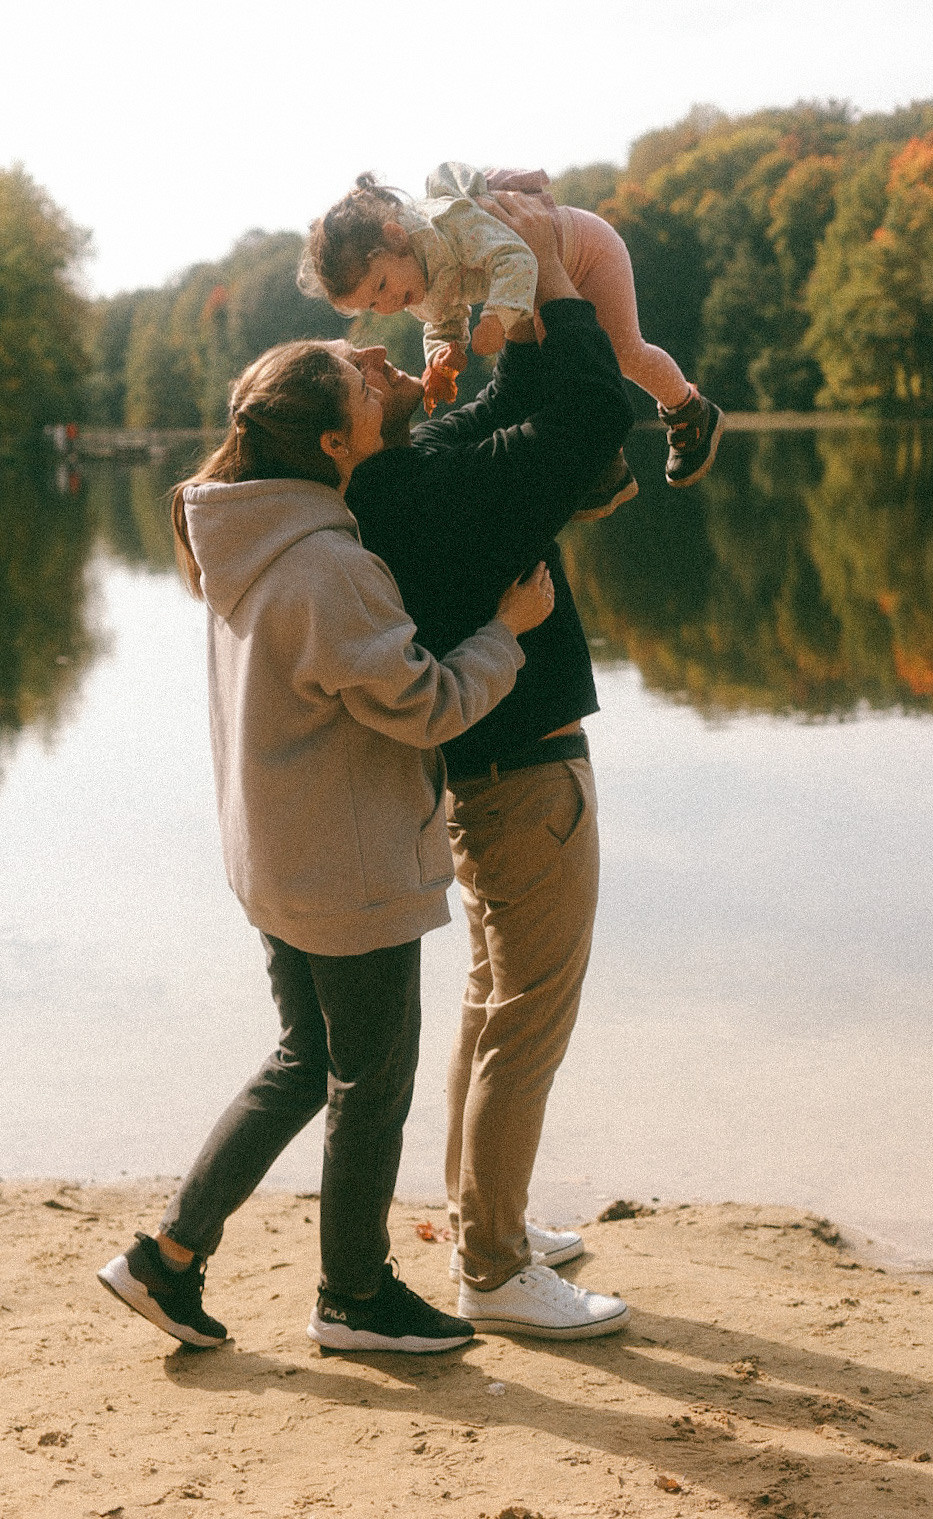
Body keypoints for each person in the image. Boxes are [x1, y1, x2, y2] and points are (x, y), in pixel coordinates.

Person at [97, 338, 558, 1355]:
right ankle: (353, 1295)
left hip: (278, 859)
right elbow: (427, 704)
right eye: (358, 385)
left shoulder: (244, 536)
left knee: (307, 1061)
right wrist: (506, 630)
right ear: (331, 440)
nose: (373, 373)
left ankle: (164, 1258)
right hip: (347, 875)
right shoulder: (328, 566)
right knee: (371, 1081)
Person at [309, 192, 635, 1339]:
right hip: (527, 772)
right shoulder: (436, 489)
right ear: (342, 435)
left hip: (484, 780)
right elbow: (593, 412)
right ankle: (494, 1268)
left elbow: (519, 407)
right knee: (527, 1015)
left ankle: (476, 1215)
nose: (381, 354)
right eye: (361, 374)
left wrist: (504, 336)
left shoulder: (405, 476)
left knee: (494, 1003)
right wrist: (546, 275)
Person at [300, 161, 724, 492]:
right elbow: (441, 322)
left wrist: (492, 319)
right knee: (557, 370)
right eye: (374, 305)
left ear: (396, 238)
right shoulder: (411, 283)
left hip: (583, 252)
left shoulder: (449, 223)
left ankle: (689, 408)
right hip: (541, 286)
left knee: (623, 352)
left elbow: (516, 259)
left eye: (381, 287)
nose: (389, 305)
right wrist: (442, 358)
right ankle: (602, 464)